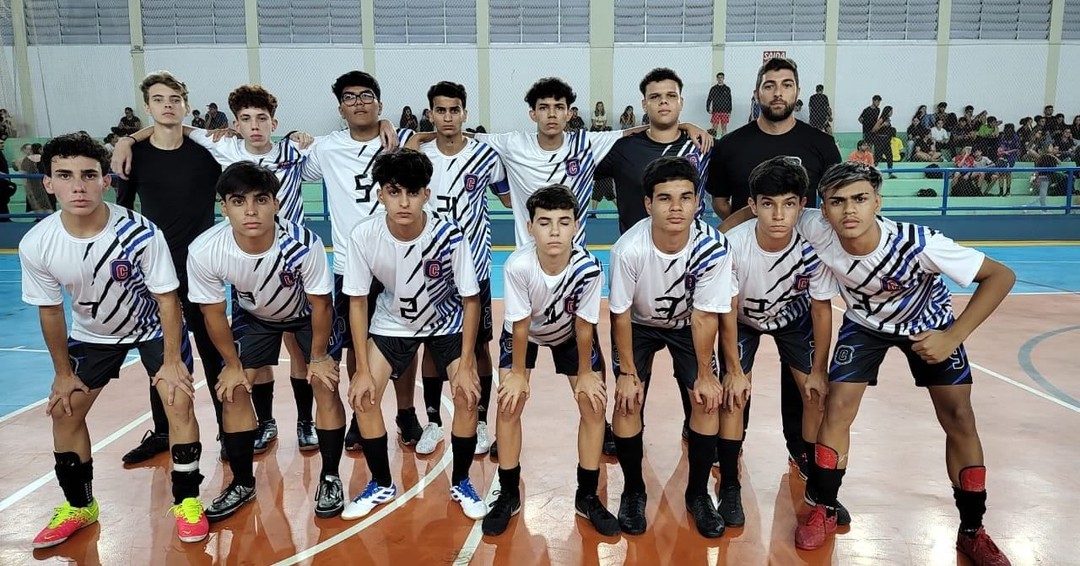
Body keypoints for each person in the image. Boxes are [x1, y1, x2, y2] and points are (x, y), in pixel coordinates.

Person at [764, 161, 1012, 565]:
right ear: (822, 210)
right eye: (838, 202)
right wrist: (724, 234)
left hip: (927, 325)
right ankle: (824, 508)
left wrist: (953, 336)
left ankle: (973, 530)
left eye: (860, 199)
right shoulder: (815, 227)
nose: (849, 211)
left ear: (877, 201)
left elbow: (1000, 276)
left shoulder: (919, 243)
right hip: (865, 326)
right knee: (837, 407)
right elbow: (749, 208)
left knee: (960, 417)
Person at [21, 133, 207, 547]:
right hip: (94, 335)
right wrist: (62, 374)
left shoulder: (140, 232)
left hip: (153, 329)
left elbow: (167, 299)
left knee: (177, 399)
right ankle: (80, 505)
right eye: (65, 176)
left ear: (105, 181)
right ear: (48, 183)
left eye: (89, 175)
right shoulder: (39, 242)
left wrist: (173, 360)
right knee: (65, 410)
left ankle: (187, 501)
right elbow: (50, 311)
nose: (78, 186)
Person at [116, 84, 319, 454]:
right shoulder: (224, 146)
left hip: (293, 263)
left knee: (299, 350)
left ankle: (306, 421)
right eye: (245, 119)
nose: (254, 126)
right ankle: (265, 422)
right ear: (235, 124)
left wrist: (303, 135)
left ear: (274, 122)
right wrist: (127, 139)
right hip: (248, 267)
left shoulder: (295, 150)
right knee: (256, 357)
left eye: (262, 119)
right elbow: (172, 124)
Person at [706, 57, 841, 482]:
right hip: (749, 275)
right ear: (757, 93)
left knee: (801, 379)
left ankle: (801, 451)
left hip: (797, 283)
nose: (777, 92)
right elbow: (722, 204)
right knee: (735, 374)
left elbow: (832, 203)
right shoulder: (733, 145)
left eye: (786, 85)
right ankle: (729, 451)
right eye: (769, 85)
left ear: (798, 93)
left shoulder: (821, 144)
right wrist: (750, 233)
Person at [187, 162, 343, 521]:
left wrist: (318, 356)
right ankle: (242, 482)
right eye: (239, 201)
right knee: (234, 389)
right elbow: (213, 313)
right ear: (224, 207)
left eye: (261, 199)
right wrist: (231, 365)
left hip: (306, 314)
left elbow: (322, 303)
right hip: (254, 316)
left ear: (276, 203)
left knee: (324, 382)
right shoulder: (206, 249)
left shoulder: (303, 244)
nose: (251, 210)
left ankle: (331, 476)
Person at [341, 149, 486, 521]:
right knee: (364, 396)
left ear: (426, 194)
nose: (403, 202)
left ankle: (462, 482)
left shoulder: (449, 235)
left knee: (468, 396)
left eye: (412, 192)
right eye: (393, 192)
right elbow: (357, 302)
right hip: (392, 323)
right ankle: (381, 483)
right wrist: (358, 368)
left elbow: (471, 300)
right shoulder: (364, 235)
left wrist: (467, 363)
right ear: (380, 194)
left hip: (447, 321)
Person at [714, 156, 846, 528]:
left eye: (789, 204)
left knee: (815, 394)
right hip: (742, 320)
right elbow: (727, 309)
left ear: (802, 205)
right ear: (752, 206)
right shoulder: (732, 246)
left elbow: (822, 310)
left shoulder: (814, 240)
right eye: (768, 204)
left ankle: (817, 484)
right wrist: (735, 370)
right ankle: (730, 482)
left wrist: (819, 370)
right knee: (734, 393)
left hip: (794, 317)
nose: (778, 214)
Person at [609, 156, 735, 538]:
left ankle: (697, 495)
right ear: (648, 204)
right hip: (639, 324)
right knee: (627, 400)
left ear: (698, 202)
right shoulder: (628, 249)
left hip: (686, 324)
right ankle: (633, 491)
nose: (676, 207)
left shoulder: (713, 247)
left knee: (705, 399)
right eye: (665, 198)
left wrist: (708, 375)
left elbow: (705, 316)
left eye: (685, 197)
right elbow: (620, 314)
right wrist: (628, 374)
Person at [482, 184, 617, 537]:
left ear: (576, 225)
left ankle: (586, 495)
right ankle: (509, 492)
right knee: (510, 403)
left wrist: (586, 373)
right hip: (527, 332)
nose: (554, 231)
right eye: (544, 222)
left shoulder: (588, 267)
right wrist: (517, 375)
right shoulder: (518, 265)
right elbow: (521, 325)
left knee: (593, 403)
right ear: (530, 228)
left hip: (571, 333)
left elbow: (586, 324)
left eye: (563, 222)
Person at [299, 71, 421, 452]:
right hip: (351, 266)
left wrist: (394, 129)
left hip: (401, 262)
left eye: (366, 96)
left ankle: (405, 412)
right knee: (356, 344)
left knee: (405, 341)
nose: (359, 103)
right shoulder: (325, 148)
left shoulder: (401, 143)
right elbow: (283, 161)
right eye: (350, 98)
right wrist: (292, 138)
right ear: (340, 108)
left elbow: (441, 138)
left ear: (379, 104)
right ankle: (359, 413)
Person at [110, 71, 226, 464]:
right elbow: (121, 213)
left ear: (185, 104)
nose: (168, 105)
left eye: (175, 98)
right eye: (159, 99)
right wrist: (127, 139)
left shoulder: (207, 154)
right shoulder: (135, 156)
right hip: (153, 272)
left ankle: (230, 432)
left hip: (200, 269)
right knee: (159, 356)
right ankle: (163, 431)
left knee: (213, 352)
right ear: (148, 107)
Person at [404, 81, 510, 457]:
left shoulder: (485, 155)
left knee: (479, 347)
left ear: (465, 113)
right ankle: (432, 421)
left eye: (454, 110)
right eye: (440, 110)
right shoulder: (417, 156)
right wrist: (414, 140)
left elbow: (511, 198)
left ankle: (480, 420)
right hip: (427, 271)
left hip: (475, 269)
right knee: (432, 347)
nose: (448, 117)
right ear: (430, 114)